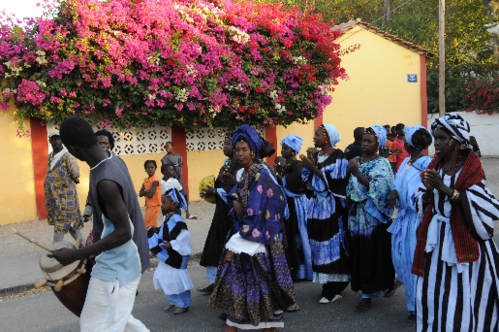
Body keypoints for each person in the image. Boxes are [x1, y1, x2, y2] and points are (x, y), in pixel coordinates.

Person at [48, 117, 149, 332]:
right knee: (118, 321)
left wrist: (76, 255)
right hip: (120, 258)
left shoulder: (106, 180)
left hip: (120, 263)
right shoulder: (111, 160)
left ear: (74, 149)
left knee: (95, 326)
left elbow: (123, 233)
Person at [413, 113, 499, 331]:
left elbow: (486, 204)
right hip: (436, 238)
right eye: (435, 137)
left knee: (460, 290)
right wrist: (428, 192)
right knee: (435, 288)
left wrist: (444, 189)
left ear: (456, 141)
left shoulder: (470, 167)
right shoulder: (436, 166)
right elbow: (419, 198)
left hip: (462, 239)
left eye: (442, 138)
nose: (437, 143)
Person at [208, 124, 296, 332]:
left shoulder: (260, 174)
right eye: (237, 150)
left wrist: (242, 236)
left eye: (244, 150)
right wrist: (236, 200)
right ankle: (244, 320)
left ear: (253, 151)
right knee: (247, 283)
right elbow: (238, 193)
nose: (239, 153)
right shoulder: (247, 173)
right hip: (247, 233)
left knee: (262, 283)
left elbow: (258, 209)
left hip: (258, 237)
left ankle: (263, 324)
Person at [346, 125, 395, 313]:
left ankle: (367, 295)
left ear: (378, 144)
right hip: (356, 216)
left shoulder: (382, 164)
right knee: (358, 252)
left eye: (369, 141)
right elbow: (349, 186)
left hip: (372, 218)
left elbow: (380, 190)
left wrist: (357, 172)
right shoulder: (356, 160)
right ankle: (366, 288)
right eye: (363, 140)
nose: (364, 144)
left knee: (371, 253)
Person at [387, 125, 433, 322]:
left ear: (410, 142)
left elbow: (425, 192)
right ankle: (413, 303)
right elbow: (397, 183)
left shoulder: (427, 163)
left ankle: (418, 308)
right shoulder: (406, 160)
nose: (403, 140)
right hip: (403, 219)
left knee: (416, 264)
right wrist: (393, 193)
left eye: (406, 138)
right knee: (401, 261)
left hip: (417, 220)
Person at [300, 124, 350, 303]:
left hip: (330, 207)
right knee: (318, 244)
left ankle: (332, 289)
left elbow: (338, 182)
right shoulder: (316, 155)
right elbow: (306, 179)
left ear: (327, 137)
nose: (314, 138)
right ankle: (328, 283)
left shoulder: (339, 156)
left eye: (317, 134)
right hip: (316, 207)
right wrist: (307, 169)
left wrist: (314, 170)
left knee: (331, 244)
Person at [198, 134, 242, 293]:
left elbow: (237, 188)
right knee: (215, 244)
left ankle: (226, 283)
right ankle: (215, 280)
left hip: (231, 213)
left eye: (228, 143)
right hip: (221, 210)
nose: (224, 146)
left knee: (227, 245)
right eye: (224, 144)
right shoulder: (227, 164)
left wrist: (216, 191)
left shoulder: (239, 165)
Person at [148, 188, 193, 315]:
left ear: (173, 205)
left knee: (178, 279)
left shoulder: (177, 218)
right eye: (161, 202)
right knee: (166, 277)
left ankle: (184, 304)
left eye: (164, 203)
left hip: (177, 254)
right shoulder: (168, 217)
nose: (162, 205)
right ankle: (173, 300)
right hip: (169, 254)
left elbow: (185, 234)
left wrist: (172, 244)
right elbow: (165, 231)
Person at [276, 135, 312, 281]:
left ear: (293, 150)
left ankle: (301, 270)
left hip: (295, 205)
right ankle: (292, 268)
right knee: (288, 235)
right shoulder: (284, 165)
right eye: (282, 147)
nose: (282, 150)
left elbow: (296, 185)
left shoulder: (297, 165)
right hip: (287, 204)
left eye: (286, 148)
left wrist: (280, 179)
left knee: (297, 234)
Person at [44, 129, 84, 244]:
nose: (56, 141)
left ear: (61, 140)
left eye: (58, 139)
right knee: (70, 224)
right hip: (55, 197)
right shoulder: (51, 156)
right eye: (53, 139)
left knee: (61, 221)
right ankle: (85, 248)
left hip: (66, 196)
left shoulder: (68, 155)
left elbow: (75, 173)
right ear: (50, 141)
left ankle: (54, 250)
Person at [161, 141, 196, 219]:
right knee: (170, 197)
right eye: (165, 147)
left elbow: (180, 168)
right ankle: (169, 213)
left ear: (172, 147)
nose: (166, 148)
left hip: (178, 179)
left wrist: (180, 179)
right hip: (170, 180)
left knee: (183, 195)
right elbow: (165, 171)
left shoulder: (178, 157)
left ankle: (187, 213)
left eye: (168, 146)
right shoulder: (165, 159)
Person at [139, 160, 162, 230]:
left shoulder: (155, 180)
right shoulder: (145, 180)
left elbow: (150, 195)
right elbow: (140, 194)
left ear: (155, 168)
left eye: (152, 167)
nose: (150, 169)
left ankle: (150, 238)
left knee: (148, 224)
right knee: (150, 223)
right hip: (148, 205)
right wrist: (146, 191)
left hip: (155, 205)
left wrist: (144, 192)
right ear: (145, 170)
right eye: (148, 168)